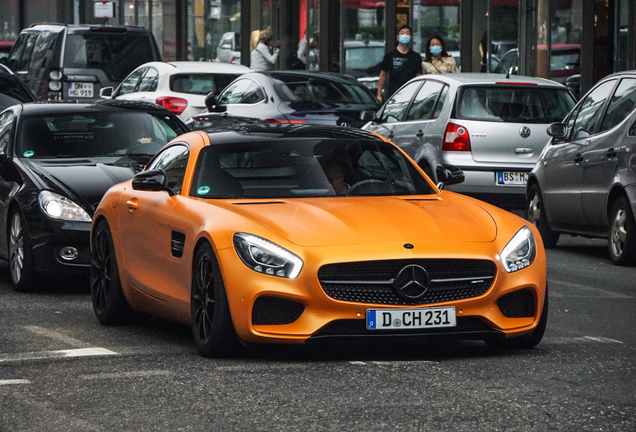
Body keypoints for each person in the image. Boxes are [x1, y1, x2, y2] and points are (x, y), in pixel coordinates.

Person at [376, 24, 423, 103]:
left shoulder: (416, 57)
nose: (405, 35)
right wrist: (379, 94)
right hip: (393, 94)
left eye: (407, 33)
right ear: (397, 37)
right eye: (402, 33)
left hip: (410, 95)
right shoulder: (390, 55)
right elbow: (383, 75)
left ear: (411, 37)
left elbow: (419, 76)